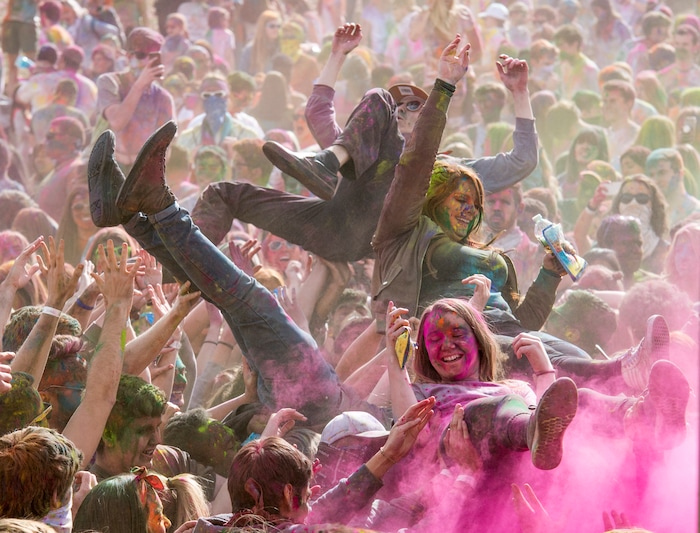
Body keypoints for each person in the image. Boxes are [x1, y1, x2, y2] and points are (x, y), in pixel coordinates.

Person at [191, 24, 537, 264]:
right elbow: (317, 112)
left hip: (377, 237)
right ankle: (186, 267)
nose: (401, 109)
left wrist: (520, 93)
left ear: (430, 115)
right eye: (397, 105)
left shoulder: (450, 168)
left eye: (413, 105)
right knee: (227, 193)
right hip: (330, 227)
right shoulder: (361, 143)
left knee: (376, 97)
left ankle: (323, 166)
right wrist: (337, 55)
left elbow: (522, 161)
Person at [94, 26, 174, 170]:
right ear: (129, 56)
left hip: (144, 170)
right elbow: (117, 122)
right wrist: (139, 86)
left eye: (153, 56)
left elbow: (166, 147)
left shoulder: (163, 98)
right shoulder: (110, 82)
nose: (146, 63)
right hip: (109, 165)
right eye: (141, 55)